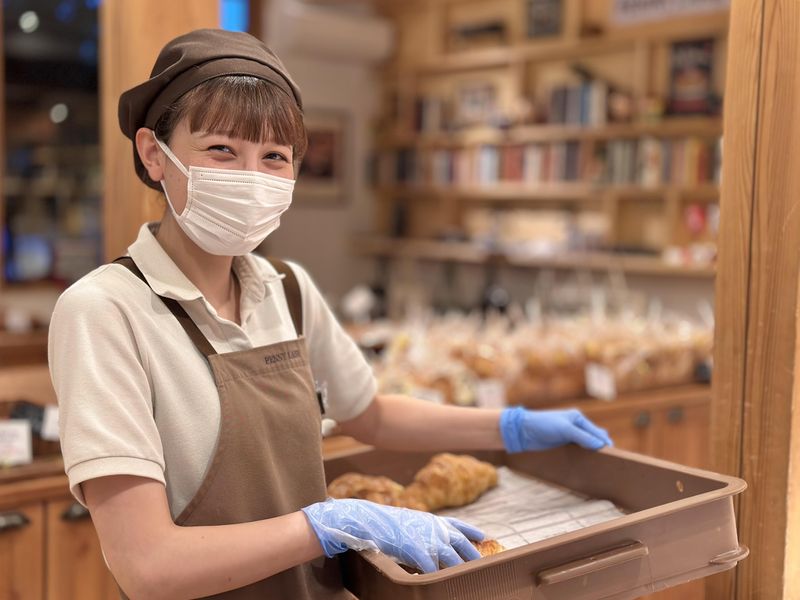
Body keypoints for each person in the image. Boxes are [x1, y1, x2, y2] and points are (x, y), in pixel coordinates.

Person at [48, 29, 613, 600]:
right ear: (153, 153)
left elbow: (372, 415)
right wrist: (327, 524)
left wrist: (511, 426)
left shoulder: (288, 289)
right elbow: (147, 567)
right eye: (221, 149)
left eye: (275, 157)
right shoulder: (106, 311)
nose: (251, 177)